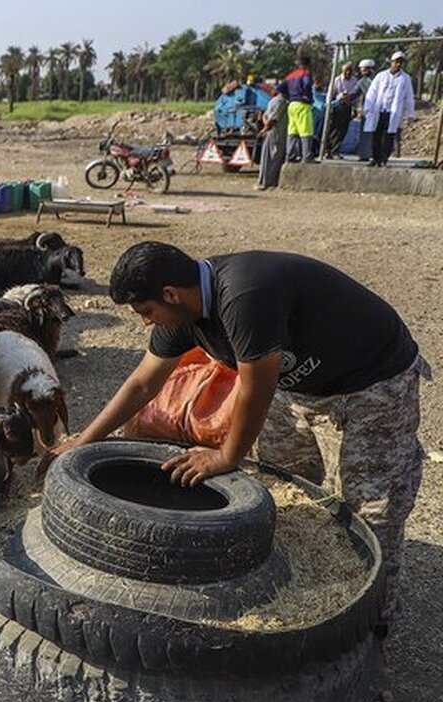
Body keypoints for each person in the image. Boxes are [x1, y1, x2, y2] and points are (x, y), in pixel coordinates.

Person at [51, 241, 429, 620]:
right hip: (299, 382)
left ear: (171, 294)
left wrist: (226, 455)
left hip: (375, 375)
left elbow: (254, 387)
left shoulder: (246, 294)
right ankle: (303, 571)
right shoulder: (182, 315)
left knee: (374, 502)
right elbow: (142, 385)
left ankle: (373, 613)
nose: (147, 322)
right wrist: (83, 442)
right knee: (287, 480)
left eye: (147, 312)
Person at [364, 52, 415, 167]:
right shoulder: (381, 76)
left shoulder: (405, 79)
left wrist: (410, 114)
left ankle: (383, 159)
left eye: (400, 62)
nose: (398, 64)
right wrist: (368, 108)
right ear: (391, 62)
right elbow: (372, 93)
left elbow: (409, 97)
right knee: (376, 135)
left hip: (393, 112)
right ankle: (375, 158)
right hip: (379, 110)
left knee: (389, 136)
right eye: (396, 61)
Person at [278, 56, 315, 162]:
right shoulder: (306, 73)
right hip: (302, 105)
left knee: (292, 131)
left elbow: (280, 88)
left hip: (292, 105)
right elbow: (307, 84)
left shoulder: (291, 75)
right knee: (306, 131)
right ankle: (307, 156)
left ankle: (290, 156)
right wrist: (306, 95)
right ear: (308, 64)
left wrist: (289, 95)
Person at [255, 83, 288, 189]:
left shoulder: (272, 101)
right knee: (273, 158)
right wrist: (265, 129)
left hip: (270, 132)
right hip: (276, 133)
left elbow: (265, 116)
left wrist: (264, 128)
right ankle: (268, 182)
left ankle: (263, 181)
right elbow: (273, 119)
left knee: (266, 157)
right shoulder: (282, 101)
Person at [324, 62, 360, 158]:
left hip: (347, 107)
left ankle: (335, 151)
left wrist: (354, 107)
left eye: (350, 71)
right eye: (346, 70)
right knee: (332, 129)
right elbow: (330, 93)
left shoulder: (354, 80)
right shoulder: (337, 80)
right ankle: (328, 150)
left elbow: (355, 95)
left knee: (342, 130)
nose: (348, 72)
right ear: (343, 71)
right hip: (337, 106)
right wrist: (329, 106)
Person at [355, 58, 377, 160]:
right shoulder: (361, 82)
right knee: (365, 132)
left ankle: (375, 154)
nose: (362, 72)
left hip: (378, 108)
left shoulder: (377, 79)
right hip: (367, 110)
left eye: (364, 70)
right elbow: (355, 94)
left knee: (376, 133)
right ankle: (364, 155)